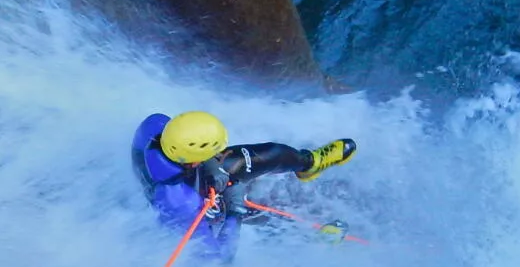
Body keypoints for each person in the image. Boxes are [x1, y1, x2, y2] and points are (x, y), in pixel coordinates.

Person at [131, 110, 354, 256]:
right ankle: (311, 245)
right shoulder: (181, 205)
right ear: (193, 159)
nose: (220, 152)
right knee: (248, 216)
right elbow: (220, 259)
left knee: (268, 154)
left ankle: (310, 164)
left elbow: (183, 150)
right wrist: (234, 211)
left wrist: (211, 166)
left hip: (189, 172)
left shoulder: (156, 126)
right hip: (190, 199)